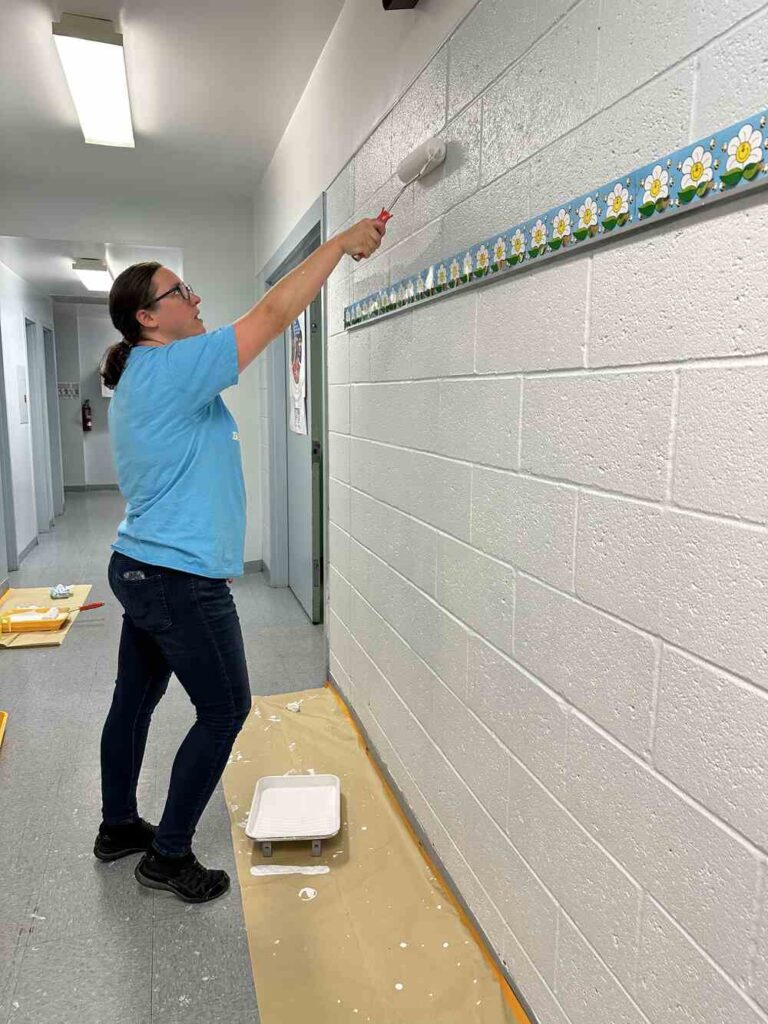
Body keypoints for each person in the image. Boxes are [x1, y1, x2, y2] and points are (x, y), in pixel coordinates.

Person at [93, 217, 384, 903]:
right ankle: (167, 856)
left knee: (133, 703)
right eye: (180, 293)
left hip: (140, 566)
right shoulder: (167, 363)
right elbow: (276, 312)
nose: (195, 301)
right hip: (179, 579)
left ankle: (117, 827)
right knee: (225, 711)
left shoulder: (142, 371)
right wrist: (339, 244)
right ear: (147, 318)